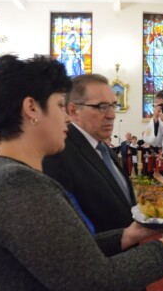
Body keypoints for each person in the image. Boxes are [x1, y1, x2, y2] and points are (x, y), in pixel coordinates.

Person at [0, 54, 163, 290]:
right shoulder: (16, 184)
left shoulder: (4, 174)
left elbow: (66, 254)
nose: (66, 118)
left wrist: (129, 234)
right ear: (32, 109)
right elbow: (94, 280)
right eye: (60, 106)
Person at [43, 74, 136, 233]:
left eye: (113, 105)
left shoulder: (103, 147)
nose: (112, 115)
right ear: (74, 111)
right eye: (102, 107)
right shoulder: (60, 153)